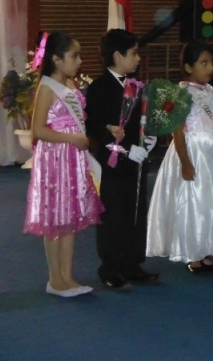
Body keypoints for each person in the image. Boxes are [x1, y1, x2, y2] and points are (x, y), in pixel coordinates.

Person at [146, 41, 213, 273]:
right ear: (189, 67)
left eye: (211, 63)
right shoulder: (180, 93)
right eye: (203, 63)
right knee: (193, 201)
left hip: (212, 152)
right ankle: (192, 253)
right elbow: (177, 132)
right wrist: (185, 162)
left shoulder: (212, 92)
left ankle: (207, 249)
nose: (209, 68)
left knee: (211, 201)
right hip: (192, 151)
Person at [23, 32, 103, 297]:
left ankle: (68, 276)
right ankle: (54, 278)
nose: (79, 61)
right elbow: (38, 131)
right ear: (56, 59)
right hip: (55, 158)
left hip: (72, 157)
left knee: (69, 217)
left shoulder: (70, 85)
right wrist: (71, 138)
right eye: (74, 56)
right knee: (56, 217)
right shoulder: (47, 87)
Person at [85, 29, 159, 290]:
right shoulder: (98, 88)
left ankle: (132, 263)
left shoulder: (135, 85)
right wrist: (122, 146)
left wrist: (148, 140)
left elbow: (141, 120)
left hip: (135, 163)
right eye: (134, 53)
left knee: (135, 211)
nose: (138, 58)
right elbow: (94, 126)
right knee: (112, 214)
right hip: (111, 164)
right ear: (117, 55)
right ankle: (110, 267)